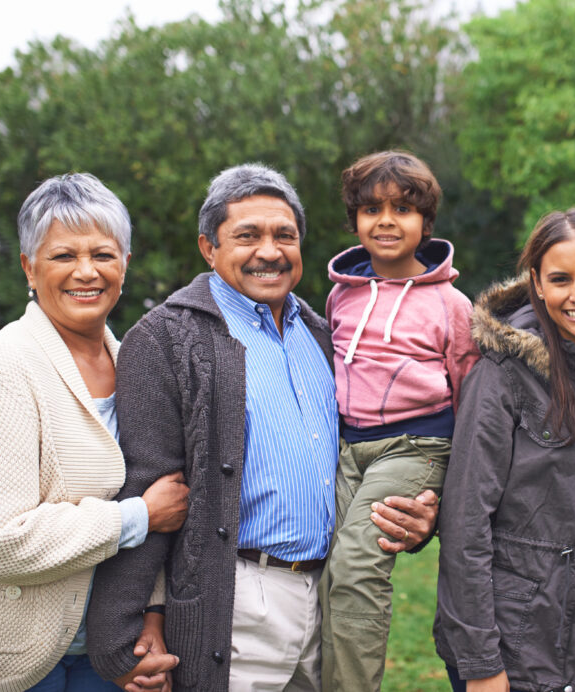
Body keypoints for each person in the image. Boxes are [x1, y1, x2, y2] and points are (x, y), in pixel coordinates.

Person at [85, 163, 440, 692]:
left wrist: (419, 521)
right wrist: (129, 625)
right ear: (209, 248)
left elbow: (371, 455)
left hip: (326, 599)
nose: (269, 251)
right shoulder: (164, 339)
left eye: (285, 236)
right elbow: (147, 487)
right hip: (232, 603)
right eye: (246, 236)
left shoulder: (325, 333)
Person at [0, 173, 189, 692]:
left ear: (126, 264)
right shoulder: (1, 373)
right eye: (63, 256)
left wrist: (150, 620)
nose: (86, 272)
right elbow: (0, 543)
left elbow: (159, 498)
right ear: (29, 266)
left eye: (103, 254)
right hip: (7, 662)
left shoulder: (135, 365)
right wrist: (135, 516)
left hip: (102, 651)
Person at [435, 208, 575, 692]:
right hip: (508, 654)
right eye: (560, 279)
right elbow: (466, 525)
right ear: (536, 282)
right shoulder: (502, 376)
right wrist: (481, 665)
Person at [318, 150, 479, 692]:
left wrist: (455, 483)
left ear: (425, 223)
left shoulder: (450, 304)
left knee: (359, 564)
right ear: (355, 221)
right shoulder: (341, 295)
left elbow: (468, 387)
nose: (386, 220)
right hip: (348, 448)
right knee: (325, 564)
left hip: (416, 446)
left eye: (403, 209)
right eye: (372, 209)